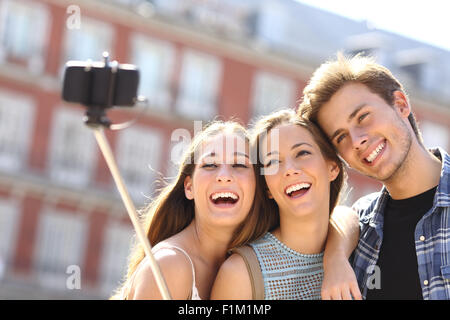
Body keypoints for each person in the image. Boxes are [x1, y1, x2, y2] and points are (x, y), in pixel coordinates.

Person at [298, 53, 449, 300]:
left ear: (400, 104)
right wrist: (334, 259)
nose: (357, 140)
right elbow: (345, 217)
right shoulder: (361, 229)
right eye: (341, 137)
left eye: (363, 117)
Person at [111, 120, 267, 300]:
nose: (224, 176)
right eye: (210, 165)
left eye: (239, 165)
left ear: (258, 187)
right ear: (189, 187)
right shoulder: (170, 264)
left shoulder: (251, 267)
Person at [210, 109, 346, 300]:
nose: (290, 170)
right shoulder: (240, 275)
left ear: (332, 168)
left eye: (302, 153)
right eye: (273, 162)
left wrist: (337, 258)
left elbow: (351, 218)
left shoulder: (358, 247)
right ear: (266, 188)